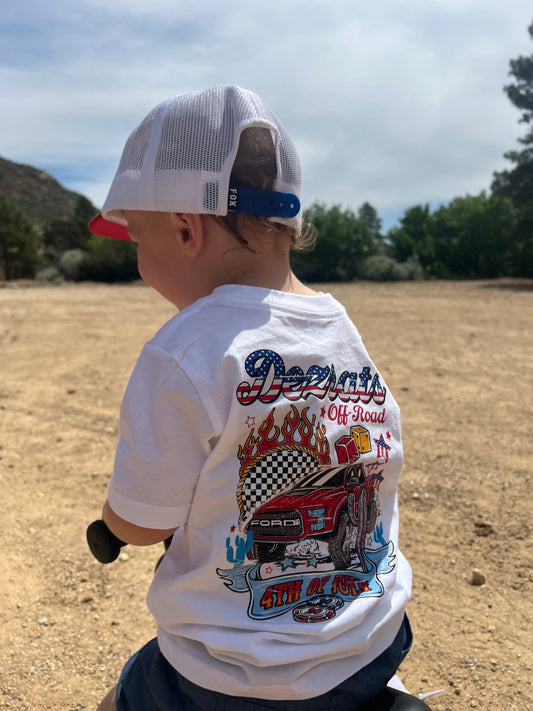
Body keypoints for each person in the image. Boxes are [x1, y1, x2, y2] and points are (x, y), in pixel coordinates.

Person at [88, 86, 430, 711]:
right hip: (368, 647)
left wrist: (110, 526)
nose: (137, 258)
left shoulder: (185, 350)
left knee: (126, 693)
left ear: (186, 229)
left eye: (137, 238)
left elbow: (142, 521)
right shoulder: (341, 333)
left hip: (228, 677)